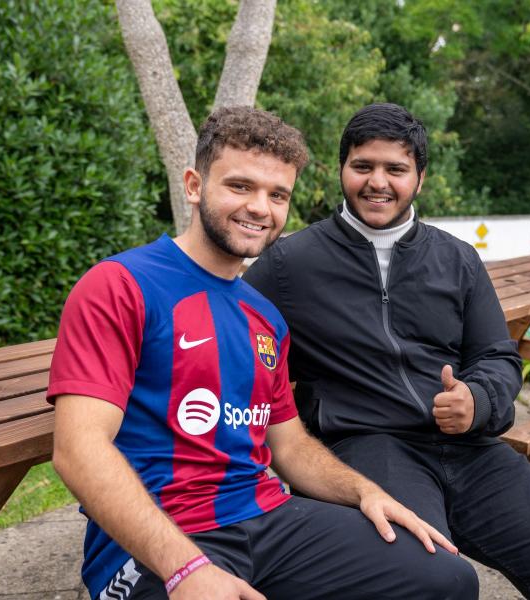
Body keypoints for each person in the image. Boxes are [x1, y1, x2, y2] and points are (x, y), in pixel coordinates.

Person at [48, 106, 479, 600]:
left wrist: (366, 492)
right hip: (159, 542)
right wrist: (185, 568)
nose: (260, 208)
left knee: (446, 579)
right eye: (240, 186)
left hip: (268, 520)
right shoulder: (120, 285)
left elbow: (289, 446)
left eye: (277, 195)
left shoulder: (265, 316)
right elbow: (78, 450)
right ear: (193, 185)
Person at [243, 102, 530, 599]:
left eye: (395, 169)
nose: (377, 182)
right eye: (363, 166)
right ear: (342, 169)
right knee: (426, 572)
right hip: (366, 447)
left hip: (468, 447)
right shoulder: (289, 265)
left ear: (420, 178)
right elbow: (232, 343)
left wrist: (476, 401)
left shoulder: (457, 258)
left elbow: (497, 356)